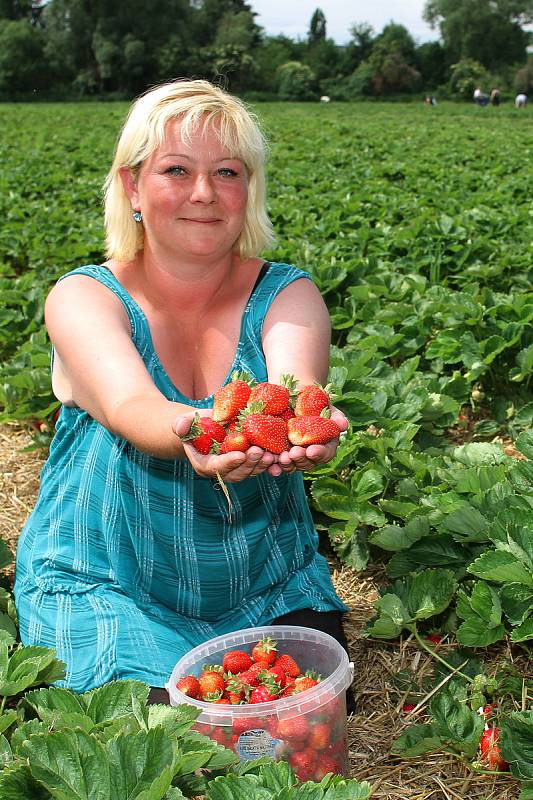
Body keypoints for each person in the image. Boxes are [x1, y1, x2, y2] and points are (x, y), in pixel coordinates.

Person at [13, 79, 353, 708]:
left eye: (226, 171)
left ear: (248, 190)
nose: (204, 192)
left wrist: (315, 420)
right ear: (131, 187)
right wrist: (195, 432)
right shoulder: (85, 297)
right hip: (109, 579)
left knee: (292, 716)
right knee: (168, 736)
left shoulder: (286, 293)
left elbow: (297, 388)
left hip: (261, 580)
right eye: (177, 169)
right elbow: (130, 406)